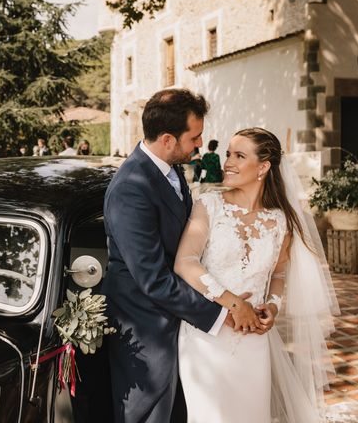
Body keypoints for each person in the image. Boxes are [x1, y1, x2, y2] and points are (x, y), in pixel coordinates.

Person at [174, 127, 339, 422]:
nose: (227, 163)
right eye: (228, 154)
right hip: (206, 336)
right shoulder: (208, 205)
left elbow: (278, 275)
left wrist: (272, 306)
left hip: (253, 339)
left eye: (239, 155)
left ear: (263, 166)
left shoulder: (280, 220)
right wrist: (235, 304)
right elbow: (185, 262)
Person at [102, 89, 227, 422]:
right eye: (195, 137)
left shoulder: (170, 169)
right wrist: (218, 314)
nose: (200, 144)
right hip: (145, 329)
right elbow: (153, 278)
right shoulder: (132, 186)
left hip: (175, 319)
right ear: (169, 139)